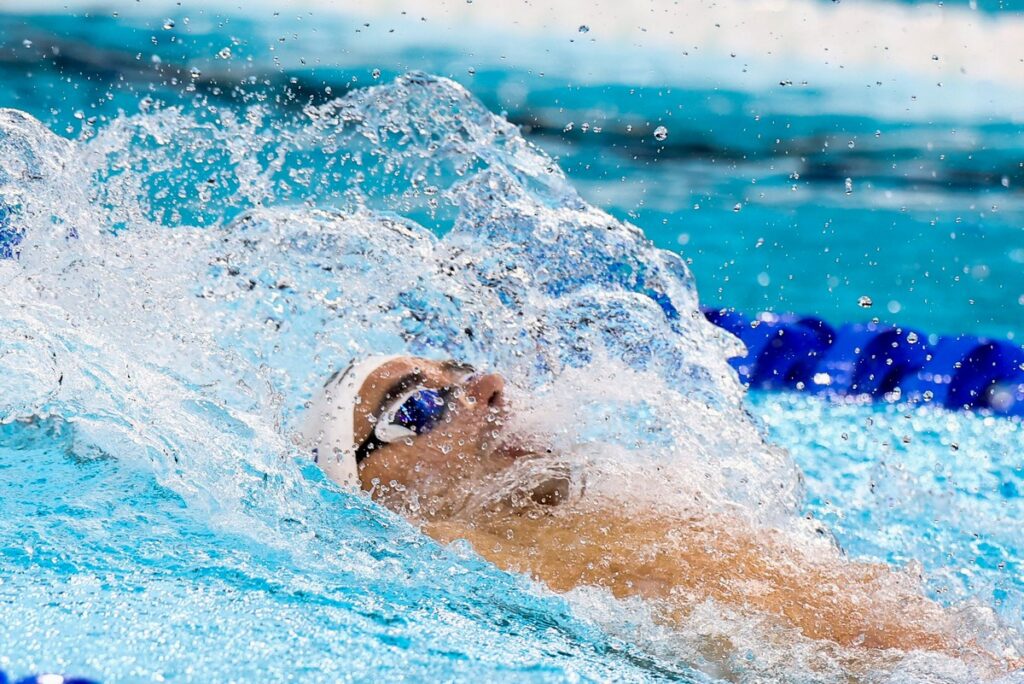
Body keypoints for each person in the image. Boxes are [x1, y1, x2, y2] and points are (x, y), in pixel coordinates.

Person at [301, 354, 1019, 675]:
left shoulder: (625, 499)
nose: (488, 386)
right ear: (375, 492)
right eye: (417, 407)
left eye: (459, 368)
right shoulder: (450, 548)